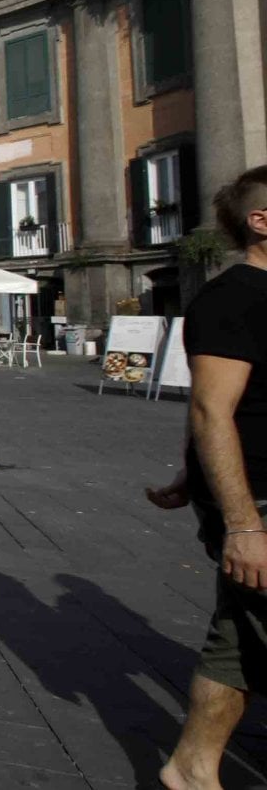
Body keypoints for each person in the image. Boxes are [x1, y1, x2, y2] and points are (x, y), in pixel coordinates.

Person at [153, 166, 267, 790]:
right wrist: (243, 522)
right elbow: (210, 408)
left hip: (243, 491)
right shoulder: (232, 299)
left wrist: (188, 470)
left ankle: (192, 768)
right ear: (261, 222)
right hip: (259, 501)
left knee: (238, 642)